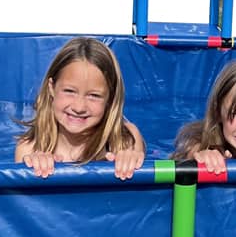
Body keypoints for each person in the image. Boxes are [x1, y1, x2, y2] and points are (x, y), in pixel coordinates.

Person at [15, 37, 145, 179]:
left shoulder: (126, 140)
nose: (79, 107)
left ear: (110, 98)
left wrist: (130, 161)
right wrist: (35, 171)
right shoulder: (29, 149)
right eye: (69, 91)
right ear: (51, 88)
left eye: (94, 95)